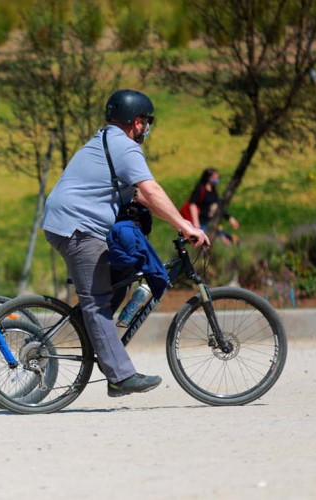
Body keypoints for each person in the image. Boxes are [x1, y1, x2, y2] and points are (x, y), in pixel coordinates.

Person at [41, 89, 210, 398]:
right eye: (146, 122)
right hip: (78, 227)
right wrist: (186, 225)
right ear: (135, 122)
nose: (147, 129)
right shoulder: (125, 147)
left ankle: (96, 338)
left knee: (120, 278)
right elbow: (151, 188)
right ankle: (120, 375)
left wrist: (175, 221)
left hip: (71, 222)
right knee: (97, 302)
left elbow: (141, 194)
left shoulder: (107, 140)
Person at [185, 167, 241, 245]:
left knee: (224, 239)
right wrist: (196, 224)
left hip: (210, 223)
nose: (217, 180)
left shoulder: (214, 192)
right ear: (208, 177)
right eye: (215, 177)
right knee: (209, 242)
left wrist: (230, 218)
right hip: (201, 224)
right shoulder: (200, 189)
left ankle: (230, 241)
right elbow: (193, 205)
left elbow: (217, 208)